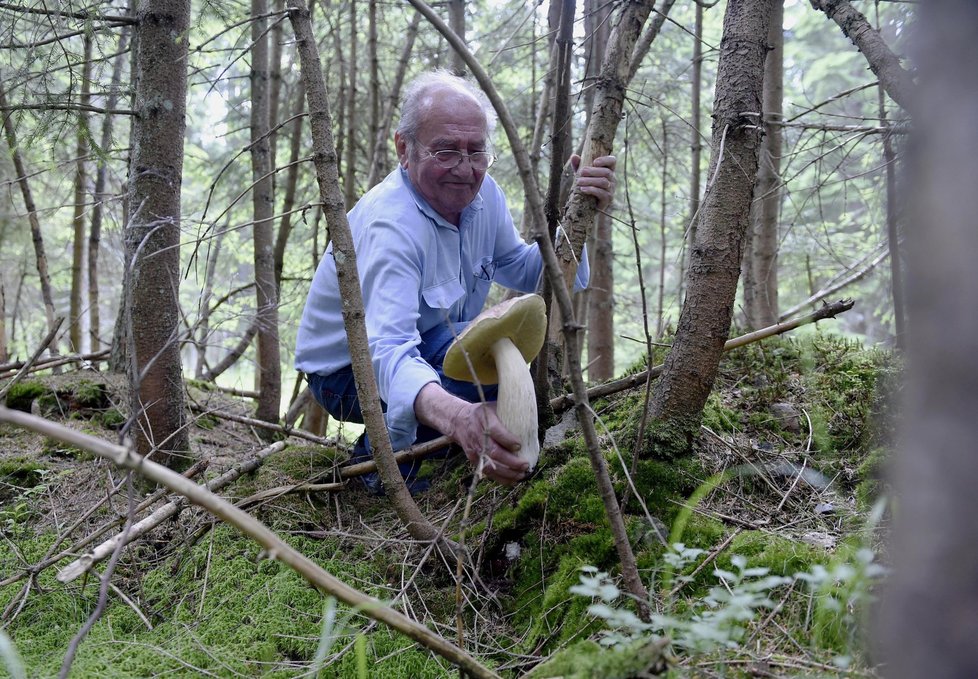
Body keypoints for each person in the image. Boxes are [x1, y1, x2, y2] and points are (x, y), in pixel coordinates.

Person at [295, 71, 616, 493]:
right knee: (478, 398)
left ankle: (432, 444)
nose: (464, 169)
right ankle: (379, 470)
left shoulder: (484, 199)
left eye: (476, 151)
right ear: (404, 148)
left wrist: (577, 218)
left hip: (432, 342)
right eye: (446, 151)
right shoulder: (391, 227)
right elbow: (388, 354)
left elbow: (524, 268)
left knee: (509, 370)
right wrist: (459, 417)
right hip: (343, 370)